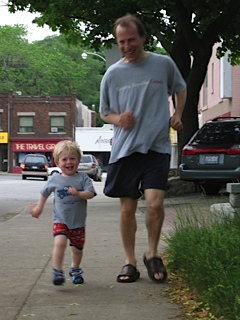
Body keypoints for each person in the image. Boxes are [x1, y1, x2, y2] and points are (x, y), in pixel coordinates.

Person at [100, 14, 187, 283]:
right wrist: (119, 119)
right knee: (127, 209)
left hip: (156, 147)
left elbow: (181, 88)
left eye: (131, 40)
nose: (127, 46)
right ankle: (130, 262)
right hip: (126, 150)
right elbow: (104, 113)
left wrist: (178, 113)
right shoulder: (113, 75)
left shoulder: (162, 64)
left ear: (143, 38)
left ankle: (152, 254)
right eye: (121, 42)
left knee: (155, 203)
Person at [30, 140, 96, 285]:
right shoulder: (55, 179)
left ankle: (75, 268)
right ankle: (58, 271)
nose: (69, 162)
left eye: (72, 158)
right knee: (59, 242)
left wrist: (79, 194)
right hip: (60, 220)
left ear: (78, 161)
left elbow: (91, 193)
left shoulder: (83, 178)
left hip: (77, 223)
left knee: (77, 249)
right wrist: (39, 208)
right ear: (57, 162)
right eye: (64, 159)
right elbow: (44, 193)